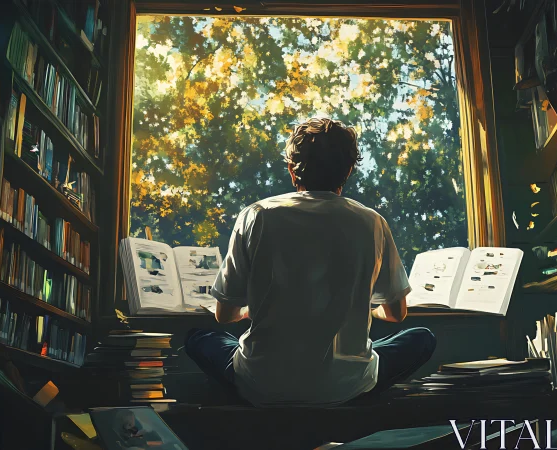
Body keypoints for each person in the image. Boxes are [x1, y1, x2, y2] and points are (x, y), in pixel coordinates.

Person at [184, 117, 437, 407]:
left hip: (262, 383)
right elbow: (396, 314)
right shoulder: (372, 222)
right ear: (349, 169)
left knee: (197, 338)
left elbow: (224, 315)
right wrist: (365, 308)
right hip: (348, 386)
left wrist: (249, 311)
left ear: (293, 170)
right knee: (421, 338)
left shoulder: (257, 215)